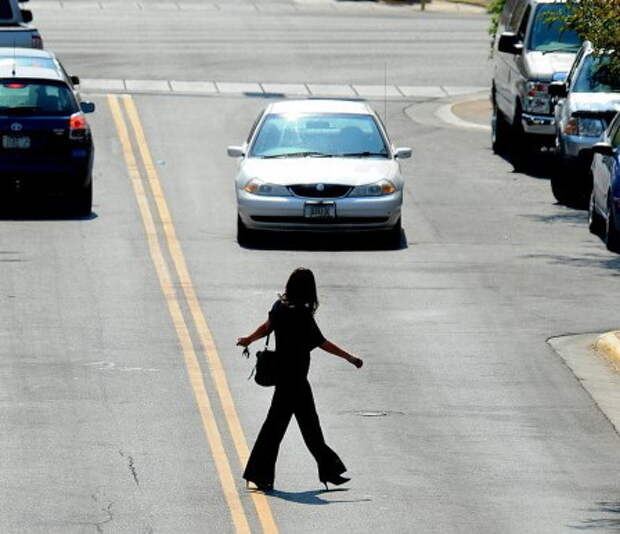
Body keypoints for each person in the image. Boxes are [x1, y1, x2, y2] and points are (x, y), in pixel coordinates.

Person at [236, 267, 363, 492]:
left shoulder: (279, 307)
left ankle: (326, 471)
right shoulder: (301, 315)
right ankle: (325, 471)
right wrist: (349, 357)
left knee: (293, 427)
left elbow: (266, 328)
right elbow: (322, 343)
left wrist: (248, 339)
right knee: (296, 428)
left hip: (286, 377)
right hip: (295, 380)